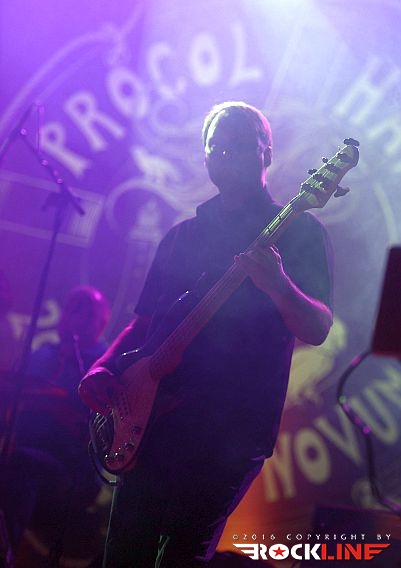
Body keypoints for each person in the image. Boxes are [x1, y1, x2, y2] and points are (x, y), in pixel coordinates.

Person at [79, 101, 334, 568]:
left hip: (230, 431)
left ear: (266, 152)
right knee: (124, 553)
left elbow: (317, 328)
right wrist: (103, 366)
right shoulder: (181, 236)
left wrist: (278, 285)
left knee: (182, 554)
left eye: (239, 144)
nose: (225, 153)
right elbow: (142, 323)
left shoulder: (299, 231)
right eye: (216, 146)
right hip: (155, 421)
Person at [0, 285, 111, 563]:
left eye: (87, 311)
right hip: (25, 454)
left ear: (102, 323)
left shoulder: (105, 368)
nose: (77, 316)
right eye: (73, 307)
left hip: (71, 472)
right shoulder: (43, 353)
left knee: (19, 468)